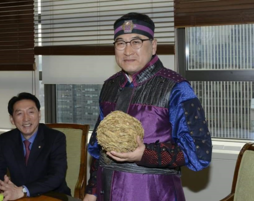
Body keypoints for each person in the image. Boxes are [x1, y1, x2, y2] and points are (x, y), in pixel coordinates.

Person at [83, 12, 212, 201]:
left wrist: (145, 153)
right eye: (120, 43)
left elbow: (198, 152)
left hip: (153, 192)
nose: (127, 51)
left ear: (153, 45)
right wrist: (91, 191)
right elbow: (100, 144)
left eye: (136, 42)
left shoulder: (176, 87)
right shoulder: (110, 86)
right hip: (106, 190)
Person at [0, 92, 71, 201]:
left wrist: (22, 190)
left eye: (31, 112)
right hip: (18, 198)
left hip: (52, 196)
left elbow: (57, 176)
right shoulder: (6, 139)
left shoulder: (55, 138)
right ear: (12, 119)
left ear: (39, 114)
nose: (26, 119)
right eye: (19, 113)